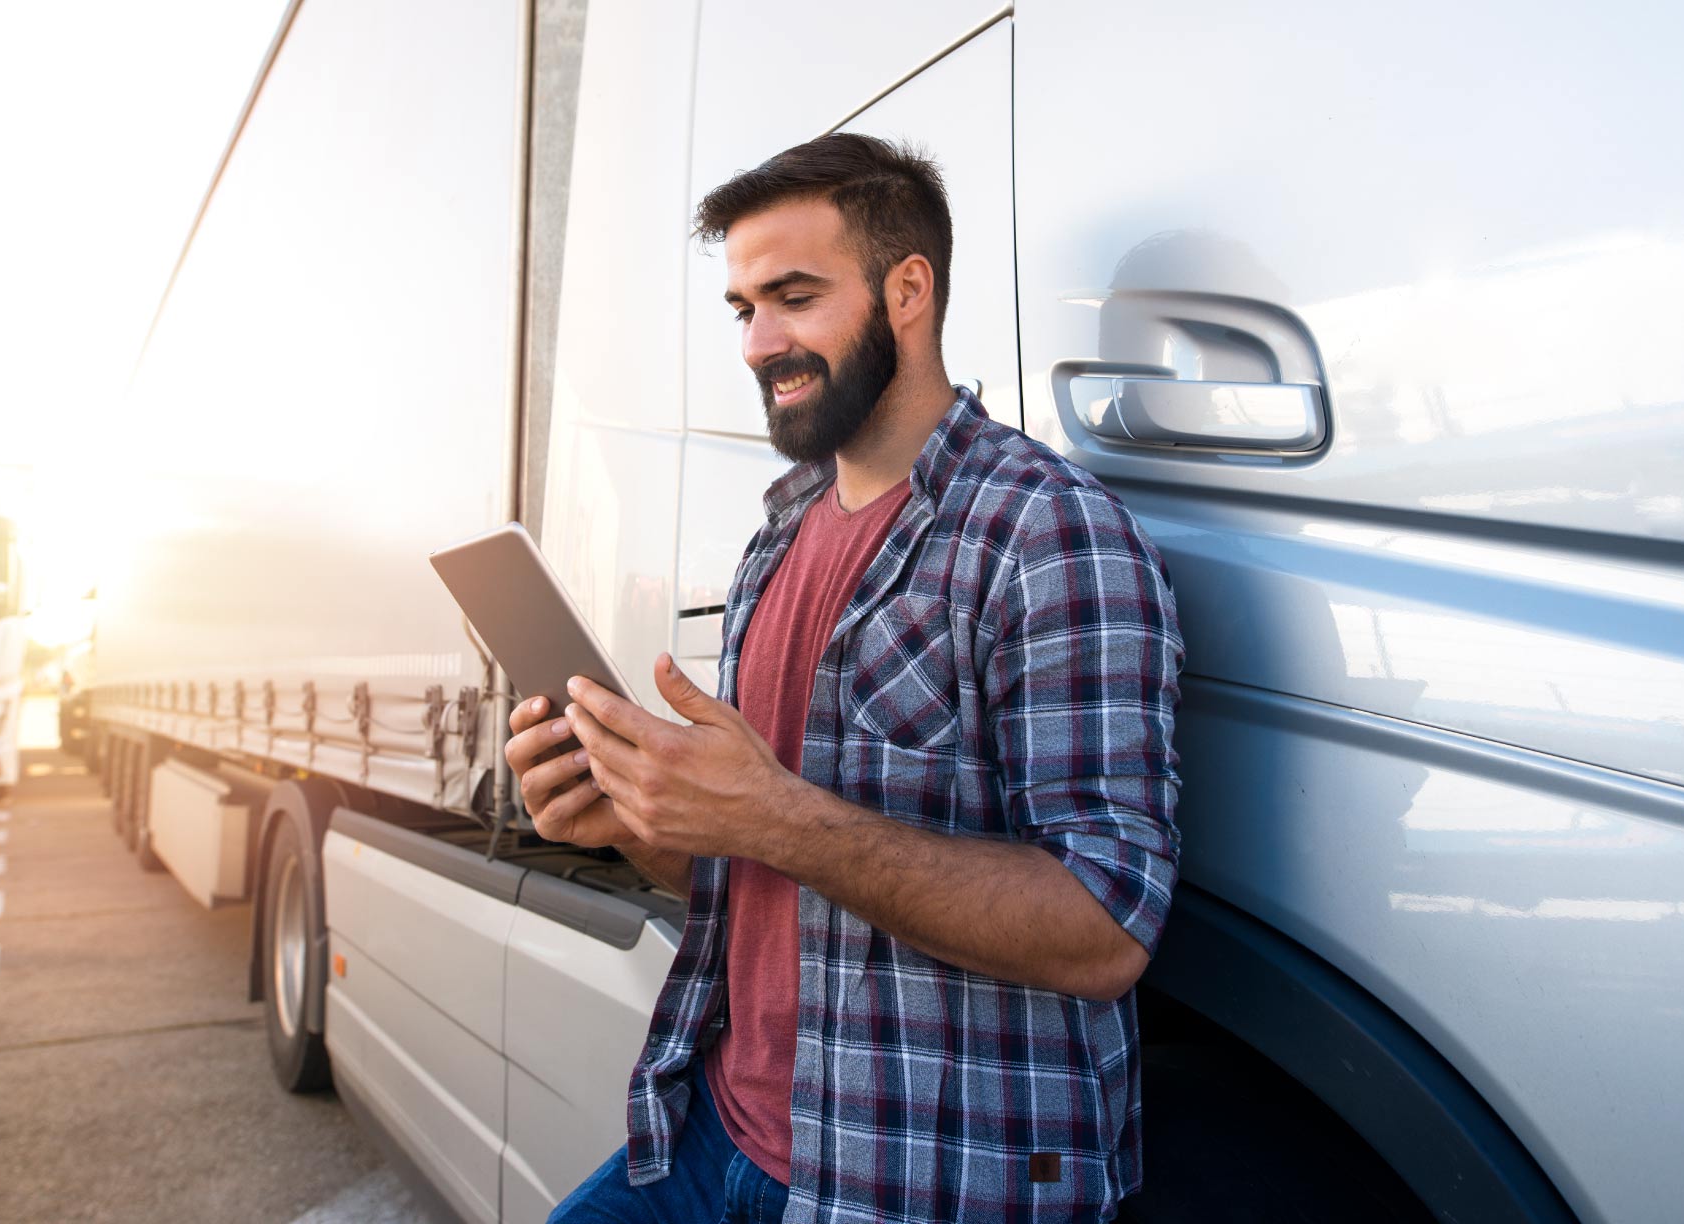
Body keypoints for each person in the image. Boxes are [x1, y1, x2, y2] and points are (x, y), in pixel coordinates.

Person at [504, 133, 1183, 1223]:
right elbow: (757, 878)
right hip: (715, 1130)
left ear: (907, 290)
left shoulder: (1048, 534)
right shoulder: (778, 536)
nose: (757, 342)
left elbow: (1104, 931)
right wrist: (630, 817)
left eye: (794, 296)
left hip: (911, 1178)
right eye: (742, 308)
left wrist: (774, 816)